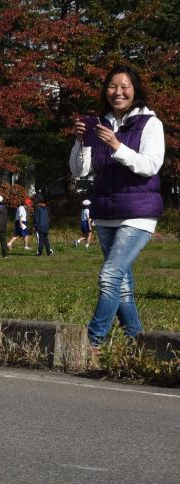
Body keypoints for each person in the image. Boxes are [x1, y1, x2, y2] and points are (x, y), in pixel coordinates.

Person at [71, 65, 163, 349]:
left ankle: (92, 343)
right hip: (106, 212)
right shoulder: (99, 123)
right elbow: (80, 171)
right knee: (121, 285)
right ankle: (138, 344)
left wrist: (116, 145)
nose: (118, 92)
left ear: (135, 90)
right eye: (112, 86)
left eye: (125, 86)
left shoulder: (149, 123)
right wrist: (80, 142)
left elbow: (150, 166)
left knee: (110, 275)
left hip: (138, 214)